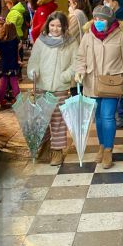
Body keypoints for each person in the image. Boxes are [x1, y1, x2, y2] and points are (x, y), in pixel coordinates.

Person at [74, 6, 123, 169]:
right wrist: (79, 71)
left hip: (111, 82)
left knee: (107, 116)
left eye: (102, 19)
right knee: (98, 117)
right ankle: (101, 145)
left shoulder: (121, 36)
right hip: (91, 82)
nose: (98, 22)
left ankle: (108, 150)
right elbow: (80, 57)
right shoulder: (88, 35)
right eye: (96, 19)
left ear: (110, 20)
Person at [27, 12, 79, 165]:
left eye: (59, 26)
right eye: (52, 25)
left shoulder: (71, 42)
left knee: (58, 120)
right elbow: (33, 61)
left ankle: (57, 151)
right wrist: (33, 72)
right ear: (48, 25)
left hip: (60, 87)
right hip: (42, 86)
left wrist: (65, 76)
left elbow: (75, 63)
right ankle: (44, 147)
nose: (55, 28)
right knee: (41, 119)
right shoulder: (40, 41)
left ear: (64, 27)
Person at [0, 22, 20, 110]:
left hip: (4, 64)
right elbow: (17, 51)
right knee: (14, 82)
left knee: (3, 83)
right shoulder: (15, 41)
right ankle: (18, 100)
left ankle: (2, 100)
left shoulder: (0, 41)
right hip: (13, 64)